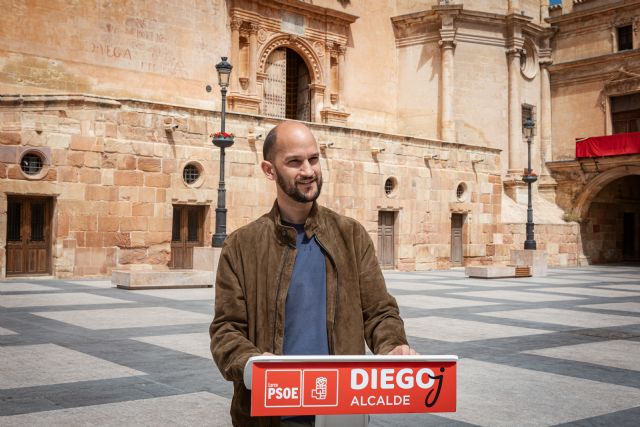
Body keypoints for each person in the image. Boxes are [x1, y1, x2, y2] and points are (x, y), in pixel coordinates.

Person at [210, 121, 415, 427]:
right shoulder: (241, 245)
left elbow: (379, 312)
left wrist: (393, 345)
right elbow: (226, 330)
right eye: (294, 162)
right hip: (268, 417)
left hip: (341, 413)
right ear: (269, 170)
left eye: (314, 159)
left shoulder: (351, 235)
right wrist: (252, 364)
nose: (308, 171)